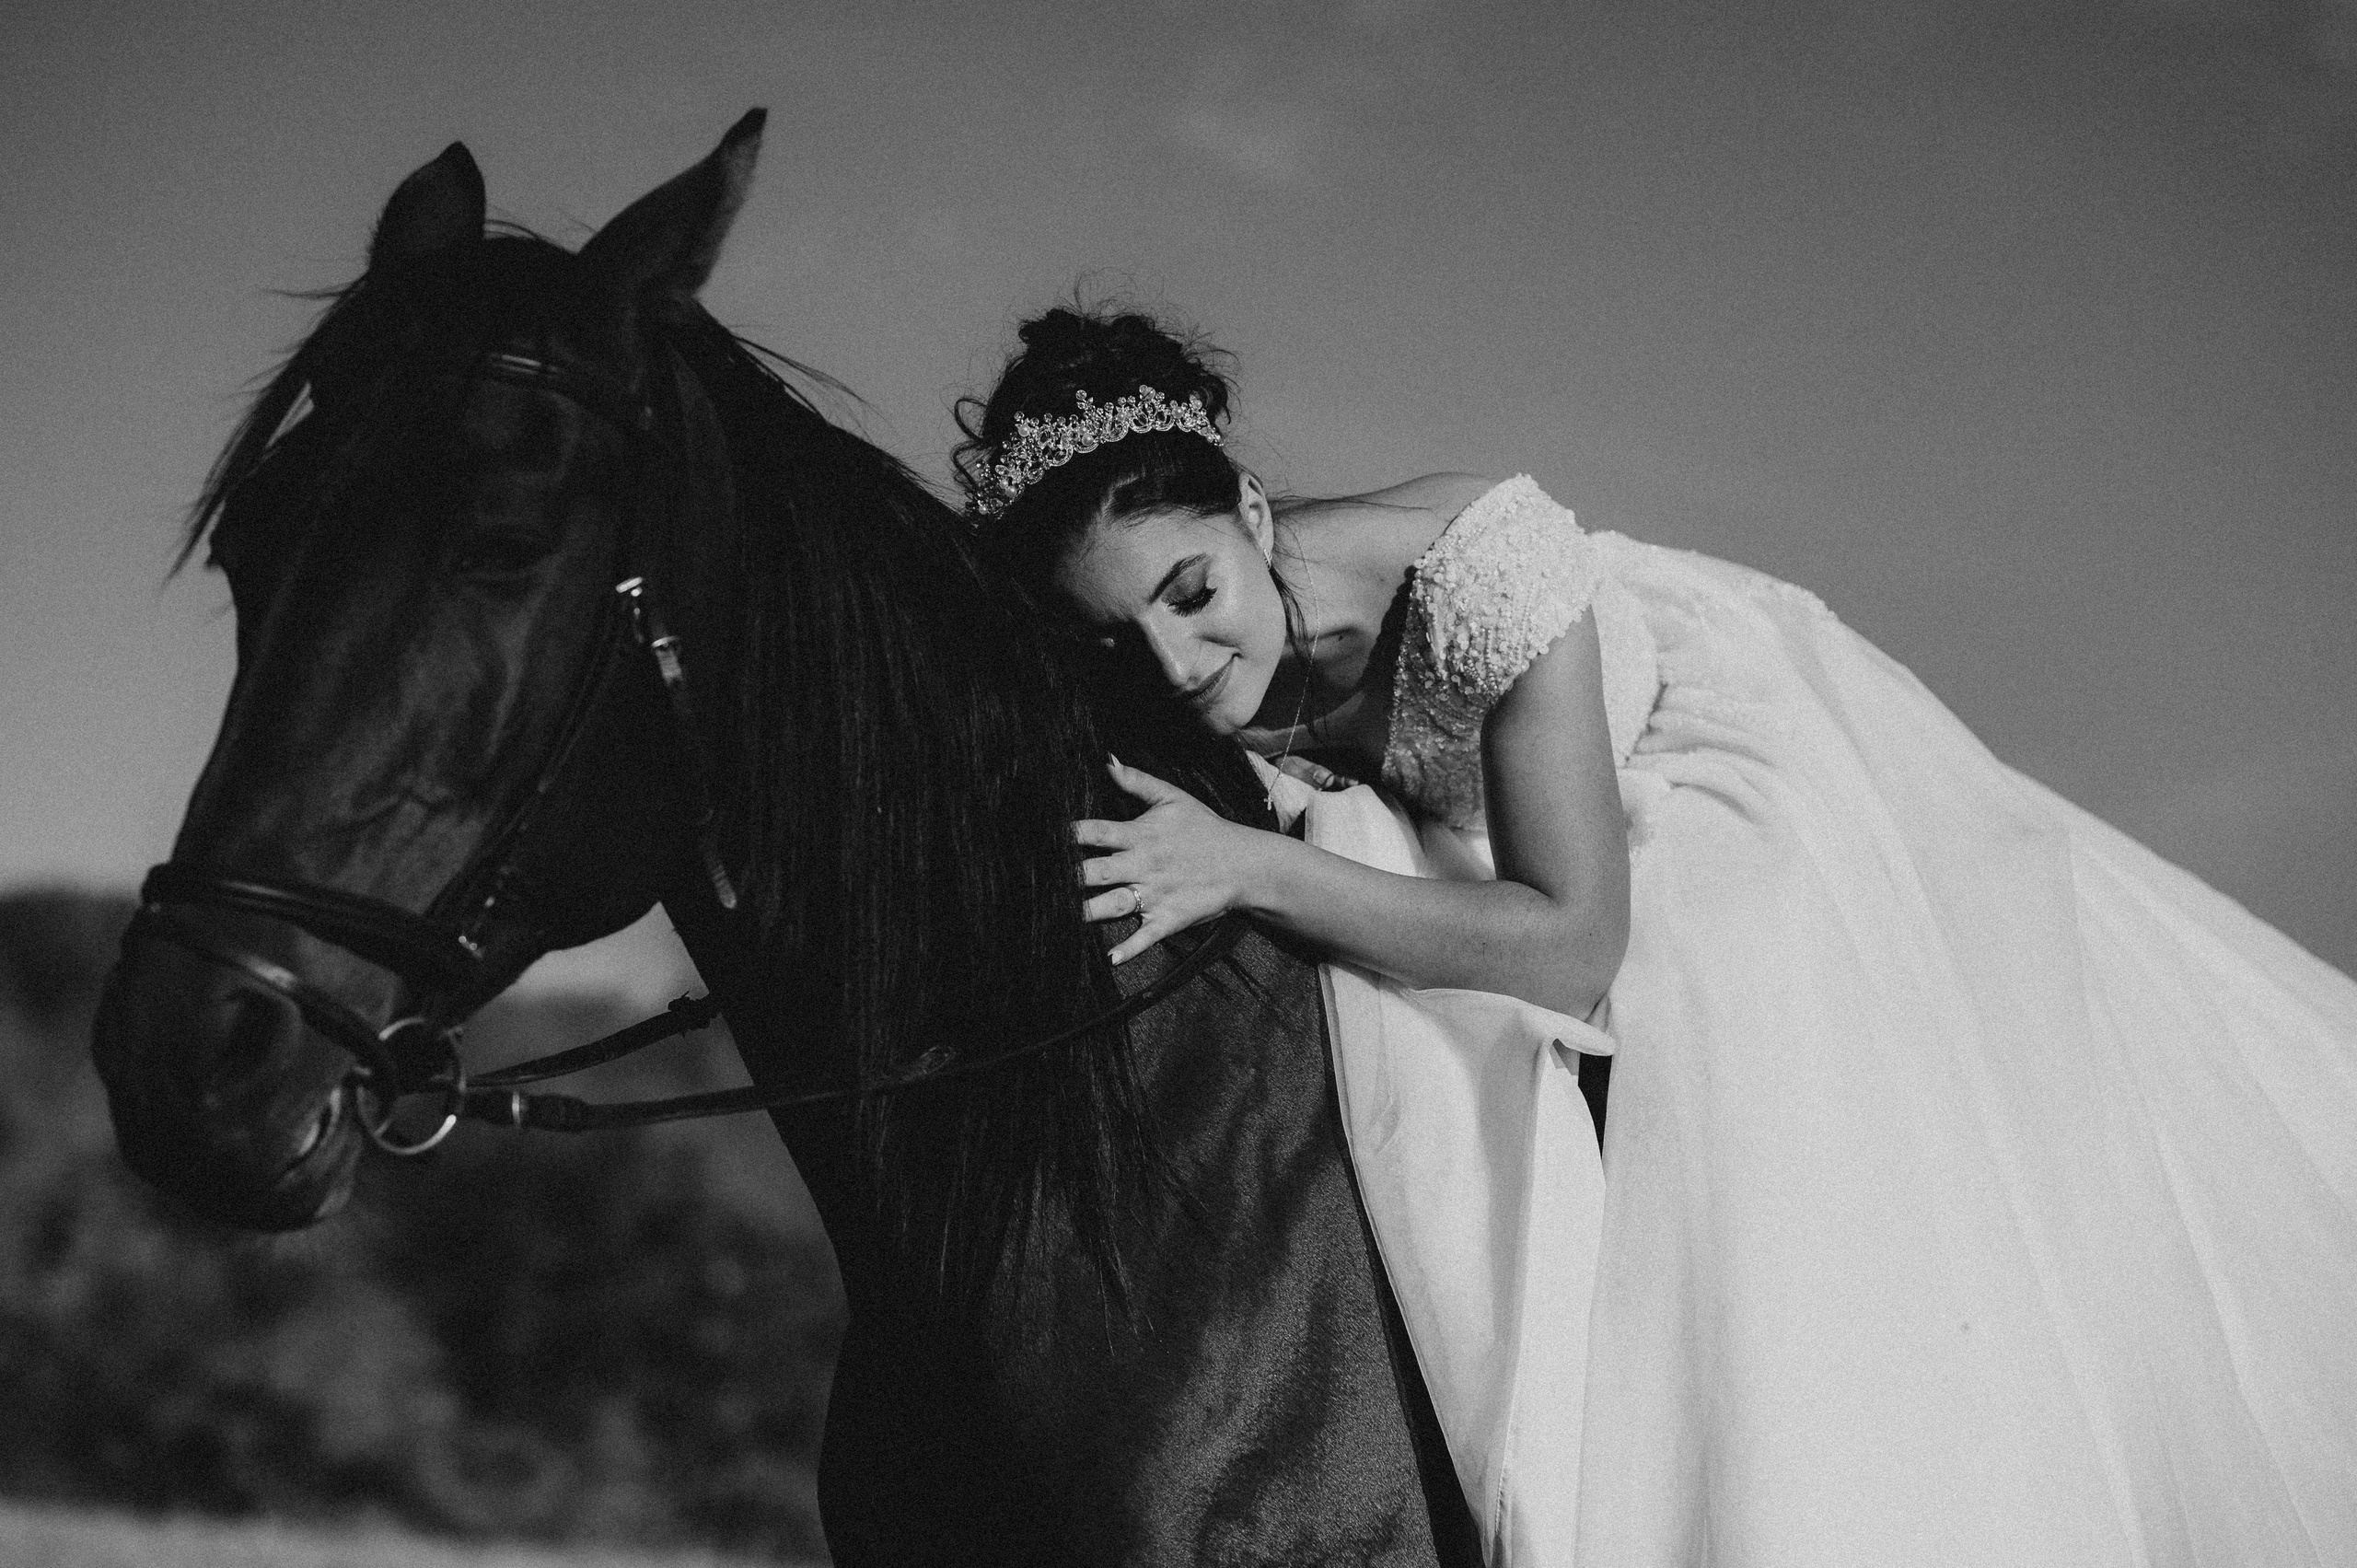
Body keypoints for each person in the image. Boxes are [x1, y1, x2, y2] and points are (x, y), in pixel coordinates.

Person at [954, 307, 2357, 1567]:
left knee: (1738, 1078)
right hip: (1479, 857)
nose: (1177, 672)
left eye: (1191, 595)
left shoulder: (1479, 567)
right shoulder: (1146, 672)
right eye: (1112, 643)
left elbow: (1573, 947)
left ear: (1249, 514)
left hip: (1672, 800)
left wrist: (1256, 869)